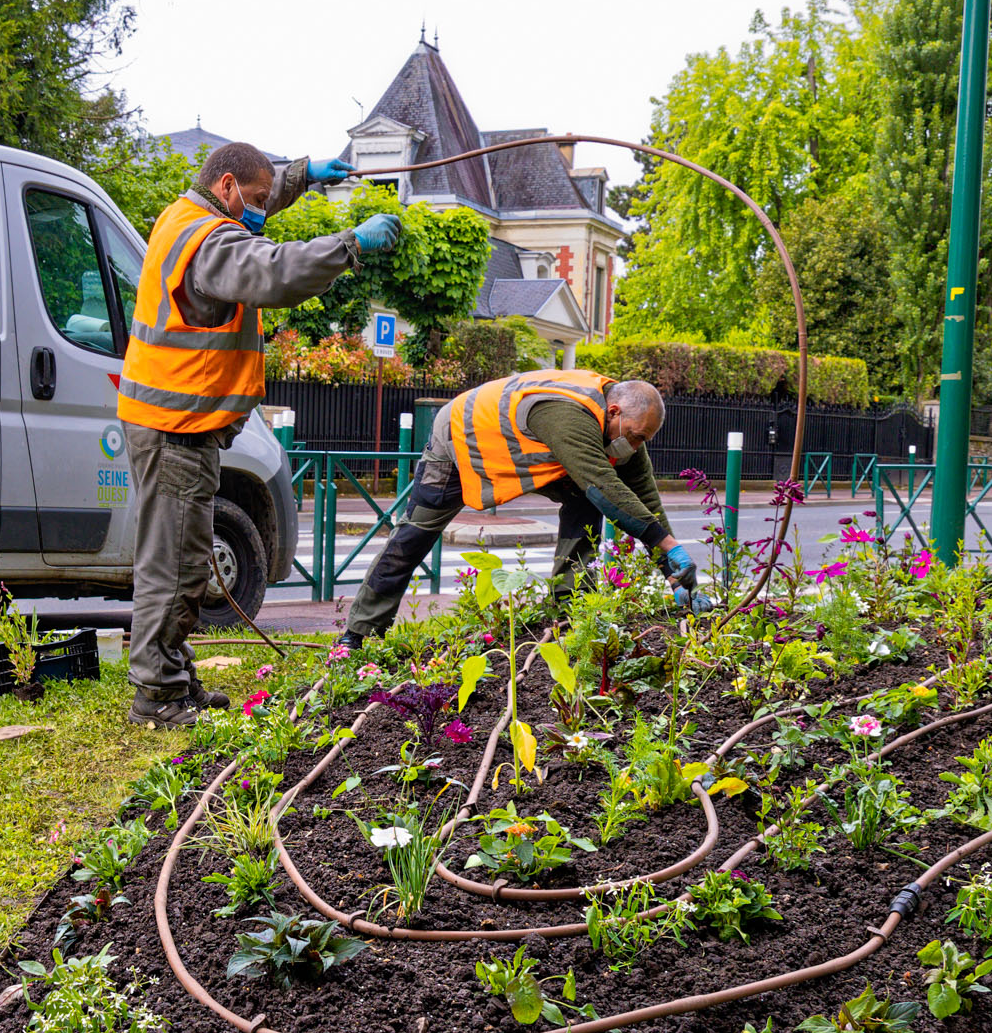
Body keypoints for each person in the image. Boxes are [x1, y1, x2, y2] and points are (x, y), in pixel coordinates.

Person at [118, 141, 404, 728]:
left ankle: (170, 676)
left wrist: (301, 176)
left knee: (178, 554)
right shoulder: (211, 243)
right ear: (224, 188)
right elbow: (273, 270)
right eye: (251, 199)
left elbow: (256, 202)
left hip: (171, 418)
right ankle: (158, 694)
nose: (258, 210)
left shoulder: (186, 215)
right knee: (175, 562)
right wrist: (351, 244)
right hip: (178, 424)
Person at [340, 368, 700, 642]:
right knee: (412, 538)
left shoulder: (622, 426)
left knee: (586, 505)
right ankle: (357, 635)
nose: (635, 447)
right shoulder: (570, 415)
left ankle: (571, 613)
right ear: (615, 411)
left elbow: (646, 500)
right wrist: (668, 545)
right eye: (635, 437)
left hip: (518, 456)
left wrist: (677, 578)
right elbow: (603, 485)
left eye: (643, 440)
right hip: (459, 441)